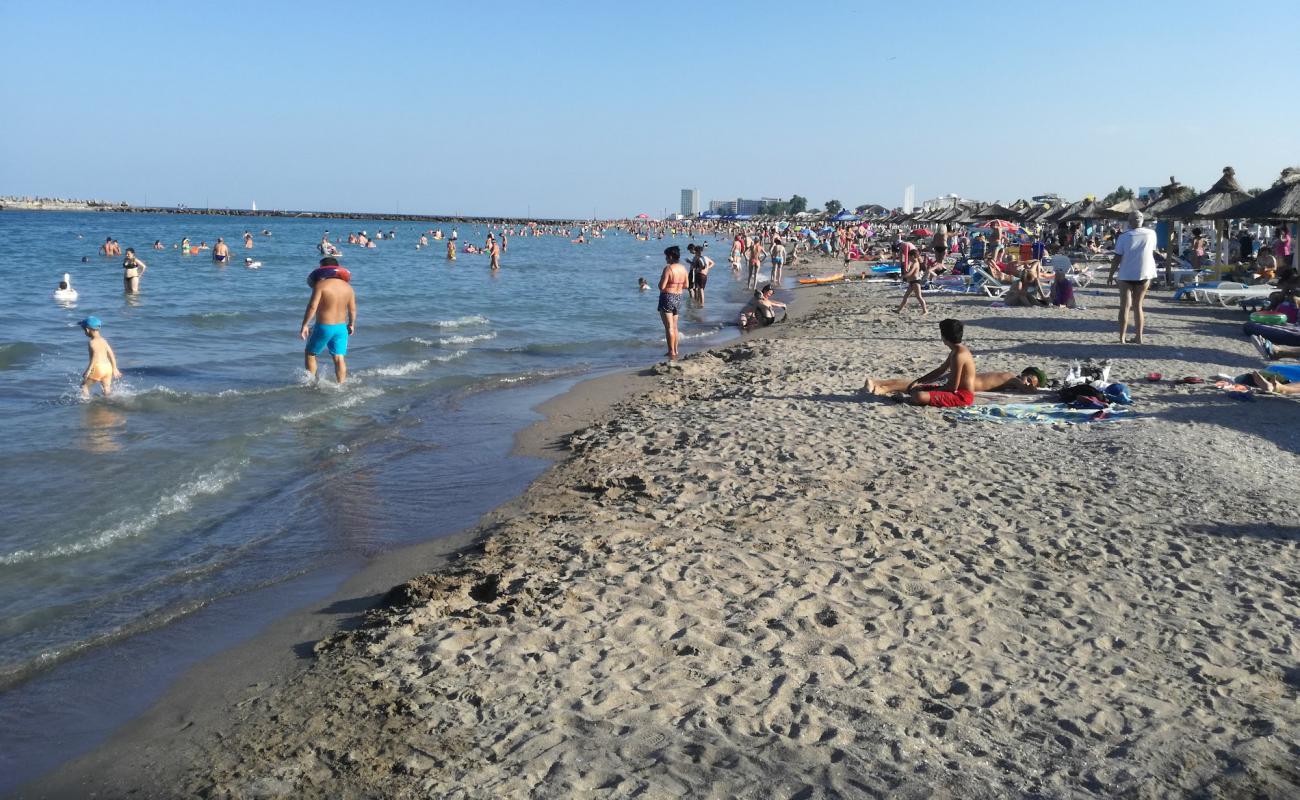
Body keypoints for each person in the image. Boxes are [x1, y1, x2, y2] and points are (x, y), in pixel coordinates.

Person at [864, 318, 976, 407]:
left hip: (962, 396)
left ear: (944, 337)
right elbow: (941, 370)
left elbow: (952, 387)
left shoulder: (958, 355)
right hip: (955, 391)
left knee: (919, 395)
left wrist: (933, 390)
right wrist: (919, 380)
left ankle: (905, 398)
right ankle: (887, 387)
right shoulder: (957, 350)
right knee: (916, 388)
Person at [300, 257, 357, 383]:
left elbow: (312, 306)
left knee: (310, 353)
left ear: (322, 269)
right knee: (339, 357)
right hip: (341, 327)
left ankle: (311, 382)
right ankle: (341, 385)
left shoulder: (320, 285)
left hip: (324, 326)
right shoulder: (348, 288)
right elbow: (352, 310)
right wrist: (351, 324)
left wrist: (305, 325)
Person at [1110, 211, 1157, 344]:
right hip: (1144, 273)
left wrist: (1111, 274)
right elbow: (1151, 251)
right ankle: (1139, 337)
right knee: (1138, 306)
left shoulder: (1124, 237)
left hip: (1126, 274)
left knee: (1125, 306)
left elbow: (1117, 258)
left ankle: (1122, 338)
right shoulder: (1152, 234)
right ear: (1142, 220)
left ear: (1130, 222)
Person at [864, 365, 1045, 396]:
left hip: (966, 381)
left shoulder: (1011, 378)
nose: (1028, 380)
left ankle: (880, 384)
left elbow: (1025, 388)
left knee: (918, 384)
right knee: (918, 385)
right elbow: (1027, 389)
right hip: (966, 381)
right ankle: (881, 386)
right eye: (1029, 378)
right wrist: (1031, 387)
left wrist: (1030, 385)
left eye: (1031, 380)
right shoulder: (1012, 377)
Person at [656, 245, 688, 360]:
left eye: (666, 257)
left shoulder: (668, 269)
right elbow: (687, 285)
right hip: (678, 297)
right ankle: (675, 349)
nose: (665, 259)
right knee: (675, 326)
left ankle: (671, 351)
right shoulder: (683, 268)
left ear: (670, 256)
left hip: (667, 296)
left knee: (668, 327)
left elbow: (661, 286)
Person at [78, 316, 122, 398]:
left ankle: (86, 403)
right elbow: (111, 354)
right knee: (107, 389)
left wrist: (88, 370)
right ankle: (109, 403)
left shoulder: (92, 342)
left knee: (84, 386)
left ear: (87, 330)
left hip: (98, 367)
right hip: (108, 368)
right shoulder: (103, 340)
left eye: (84, 330)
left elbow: (95, 355)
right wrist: (115, 368)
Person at [896, 236, 927, 314]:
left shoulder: (916, 263)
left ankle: (925, 311)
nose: (908, 258)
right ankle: (898, 310)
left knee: (919, 297)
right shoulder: (913, 262)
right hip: (912, 282)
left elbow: (911, 273)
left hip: (916, 282)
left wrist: (903, 276)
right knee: (905, 296)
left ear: (913, 256)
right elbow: (909, 269)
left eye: (909, 257)